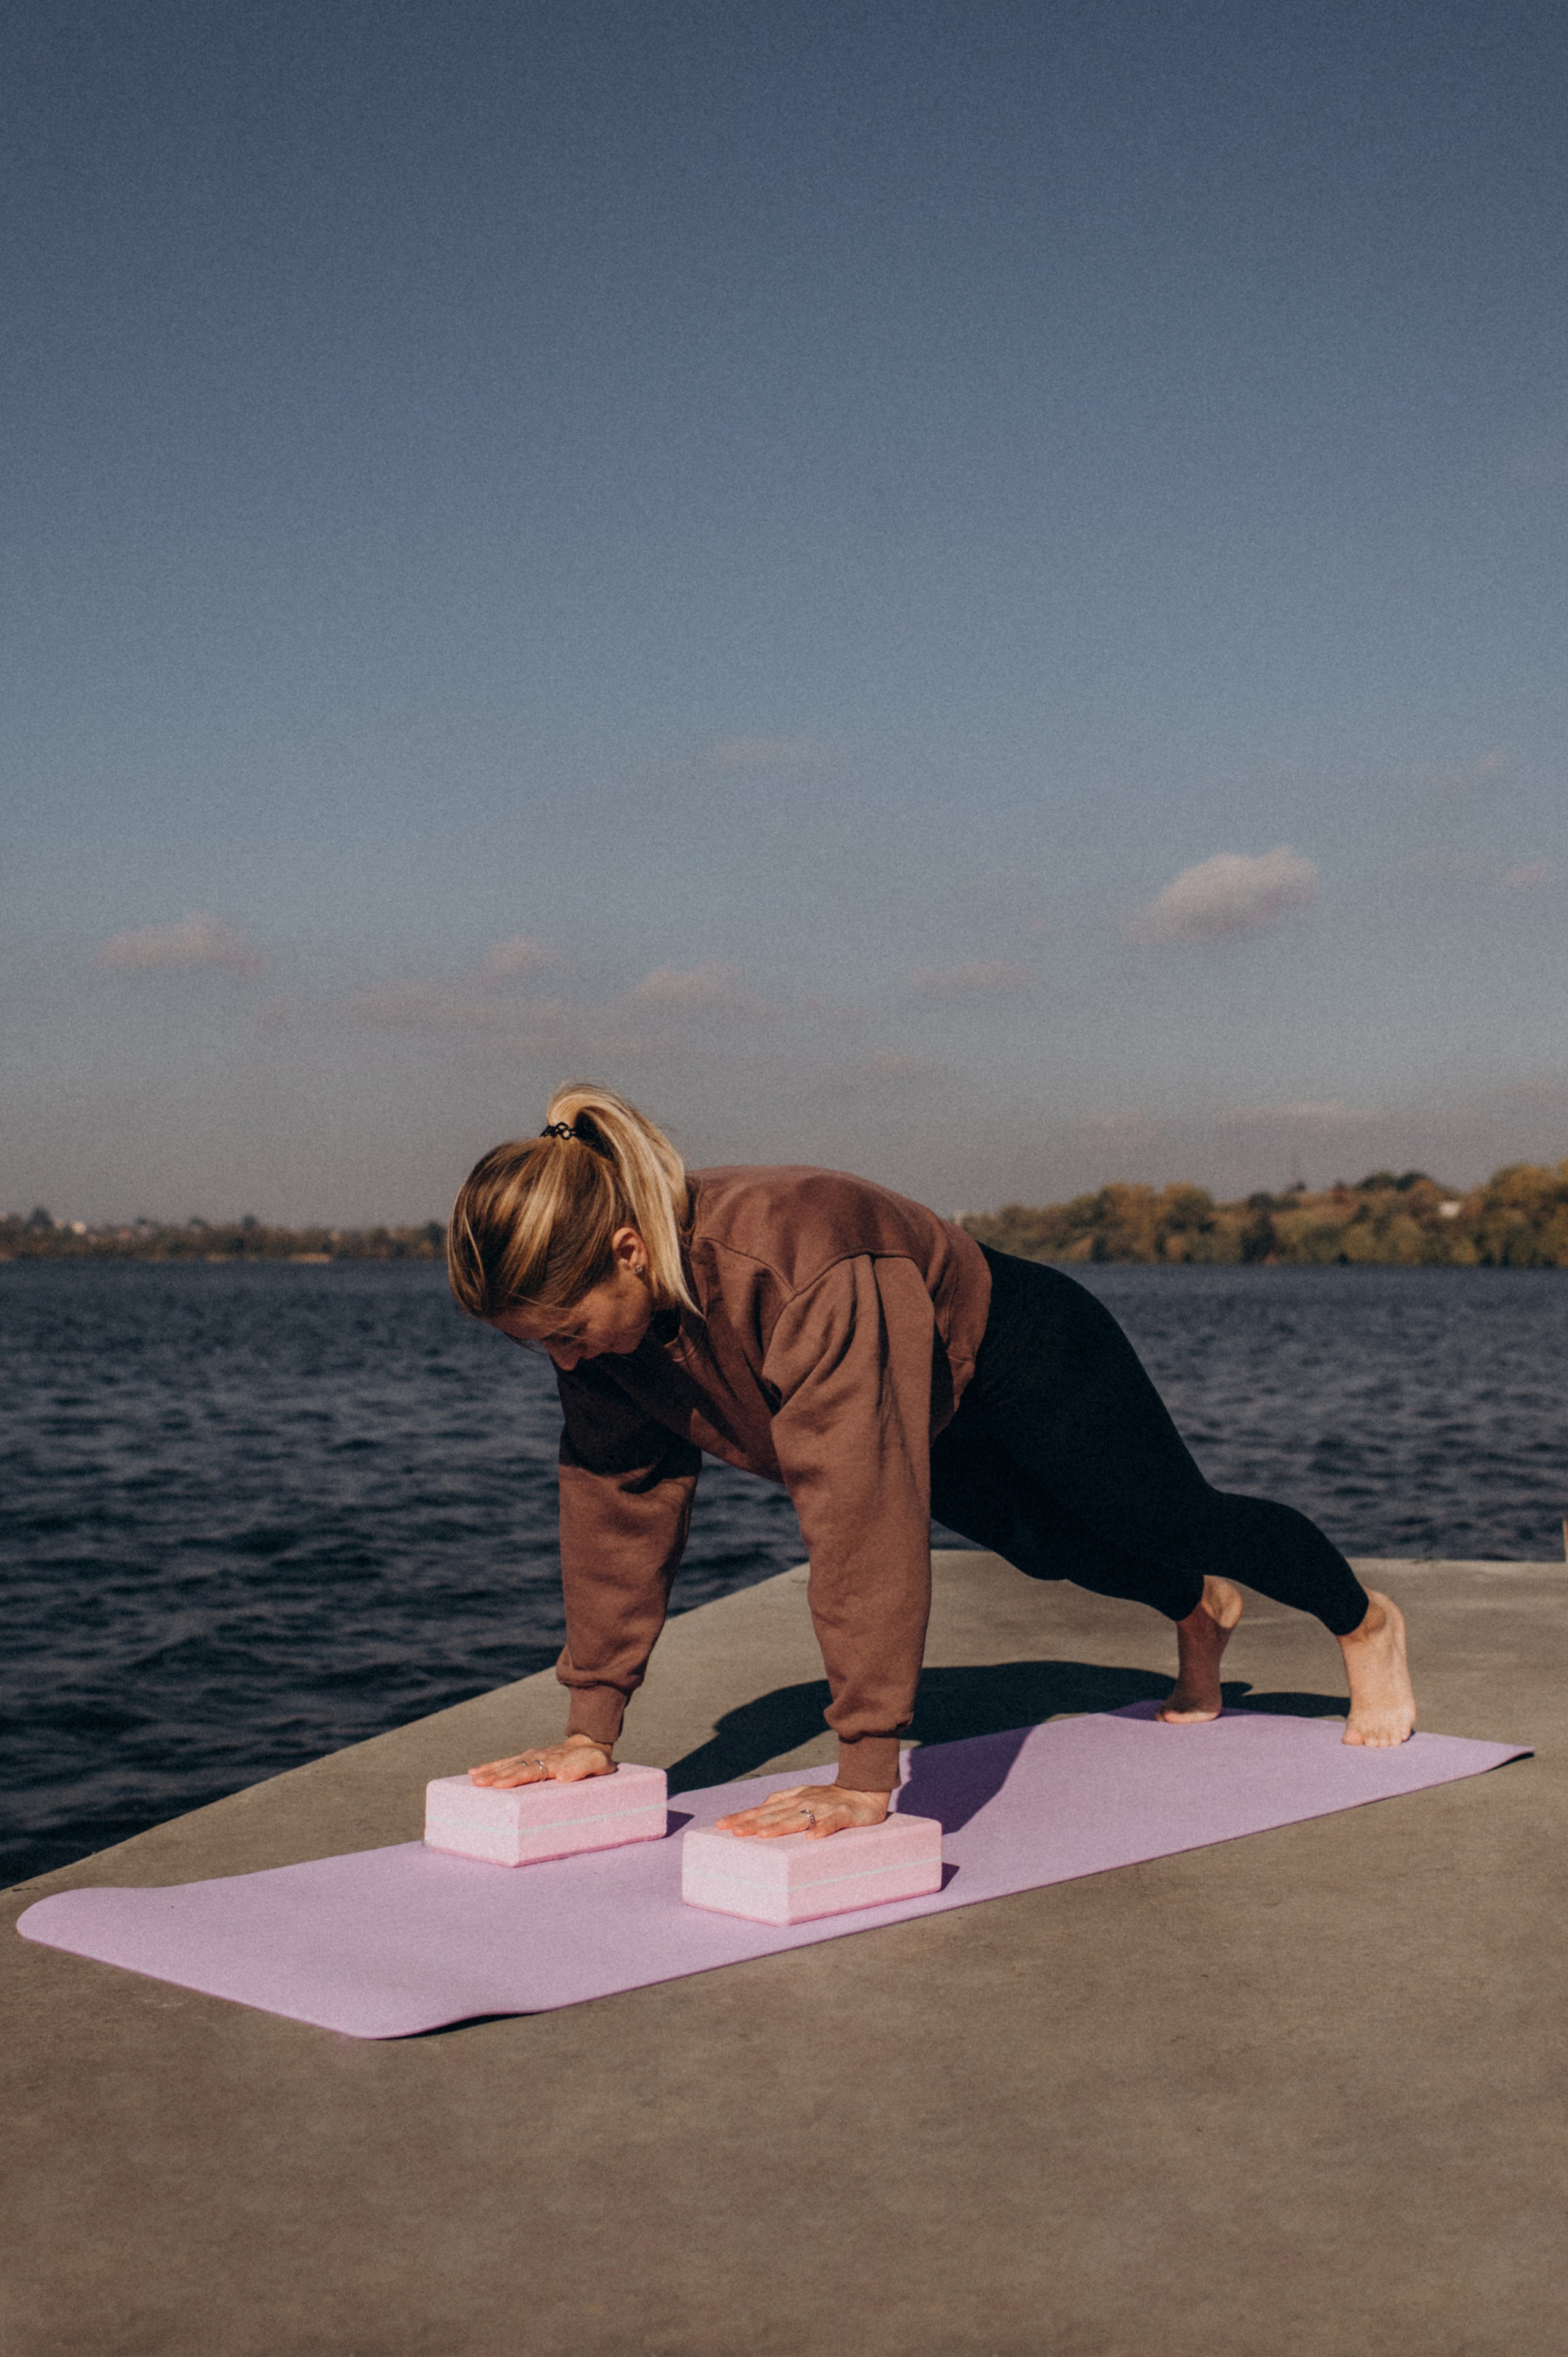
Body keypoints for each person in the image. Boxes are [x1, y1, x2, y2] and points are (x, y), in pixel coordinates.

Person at [448, 1083, 1416, 1844]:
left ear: (628, 1253)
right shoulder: (602, 1343)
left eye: (569, 1333)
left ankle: (1362, 1622)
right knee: (1050, 1551)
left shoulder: (794, 1261)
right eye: (543, 1348)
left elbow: (858, 1517)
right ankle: (1195, 1608)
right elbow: (618, 1506)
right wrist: (591, 1730)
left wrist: (867, 1775)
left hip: (1024, 1350)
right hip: (924, 1403)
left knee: (1162, 1515)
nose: (566, 1363)